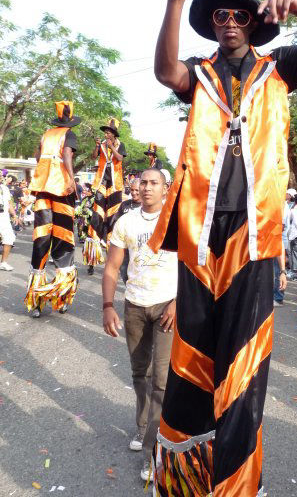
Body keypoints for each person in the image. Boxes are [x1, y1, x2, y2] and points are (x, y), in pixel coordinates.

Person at [148, 0, 297, 495]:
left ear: (254, 20)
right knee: (193, 356)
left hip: (255, 237)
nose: (230, 23)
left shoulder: (278, 69)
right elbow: (166, 71)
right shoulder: (200, 73)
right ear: (212, 23)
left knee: (244, 366)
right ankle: (188, 476)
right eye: (220, 14)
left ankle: (235, 485)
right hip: (200, 234)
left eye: (239, 13)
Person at [102, 168, 178, 484]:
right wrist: (107, 306)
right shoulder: (127, 221)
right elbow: (111, 267)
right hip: (134, 306)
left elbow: (193, 266)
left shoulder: (177, 221)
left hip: (166, 308)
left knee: (160, 380)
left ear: (166, 188)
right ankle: (144, 425)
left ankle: (152, 454)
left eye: (154, 183)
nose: (147, 187)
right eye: (143, 182)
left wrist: (178, 303)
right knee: (139, 374)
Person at [25, 101, 80, 318]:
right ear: (71, 119)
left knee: (41, 240)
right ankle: (61, 298)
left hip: (42, 190)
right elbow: (67, 155)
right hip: (61, 189)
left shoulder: (46, 134)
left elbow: (39, 157)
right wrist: (72, 181)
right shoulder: (69, 134)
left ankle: (36, 301)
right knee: (63, 241)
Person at [83, 118, 126, 272]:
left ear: (114, 135)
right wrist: (97, 146)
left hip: (115, 186)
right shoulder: (102, 144)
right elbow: (94, 157)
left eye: (109, 132)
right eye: (105, 132)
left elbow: (120, 158)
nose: (106, 134)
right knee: (96, 218)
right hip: (101, 183)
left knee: (113, 220)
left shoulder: (121, 145)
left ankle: (113, 259)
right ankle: (91, 261)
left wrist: (111, 148)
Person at [112, 178, 142, 284]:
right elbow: (116, 222)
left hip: (140, 249)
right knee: (125, 275)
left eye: (137, 190)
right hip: (125, 249)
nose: (134, 193)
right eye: (132, 190)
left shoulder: (148, 206)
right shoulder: (124, 205)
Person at [0, 177, 18, 271]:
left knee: (9, 237)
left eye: (1, 176)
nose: (1, 177)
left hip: (4, 217)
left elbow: (9, 203)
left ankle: (3, 262)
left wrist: (14, 215)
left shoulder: (5, 188)